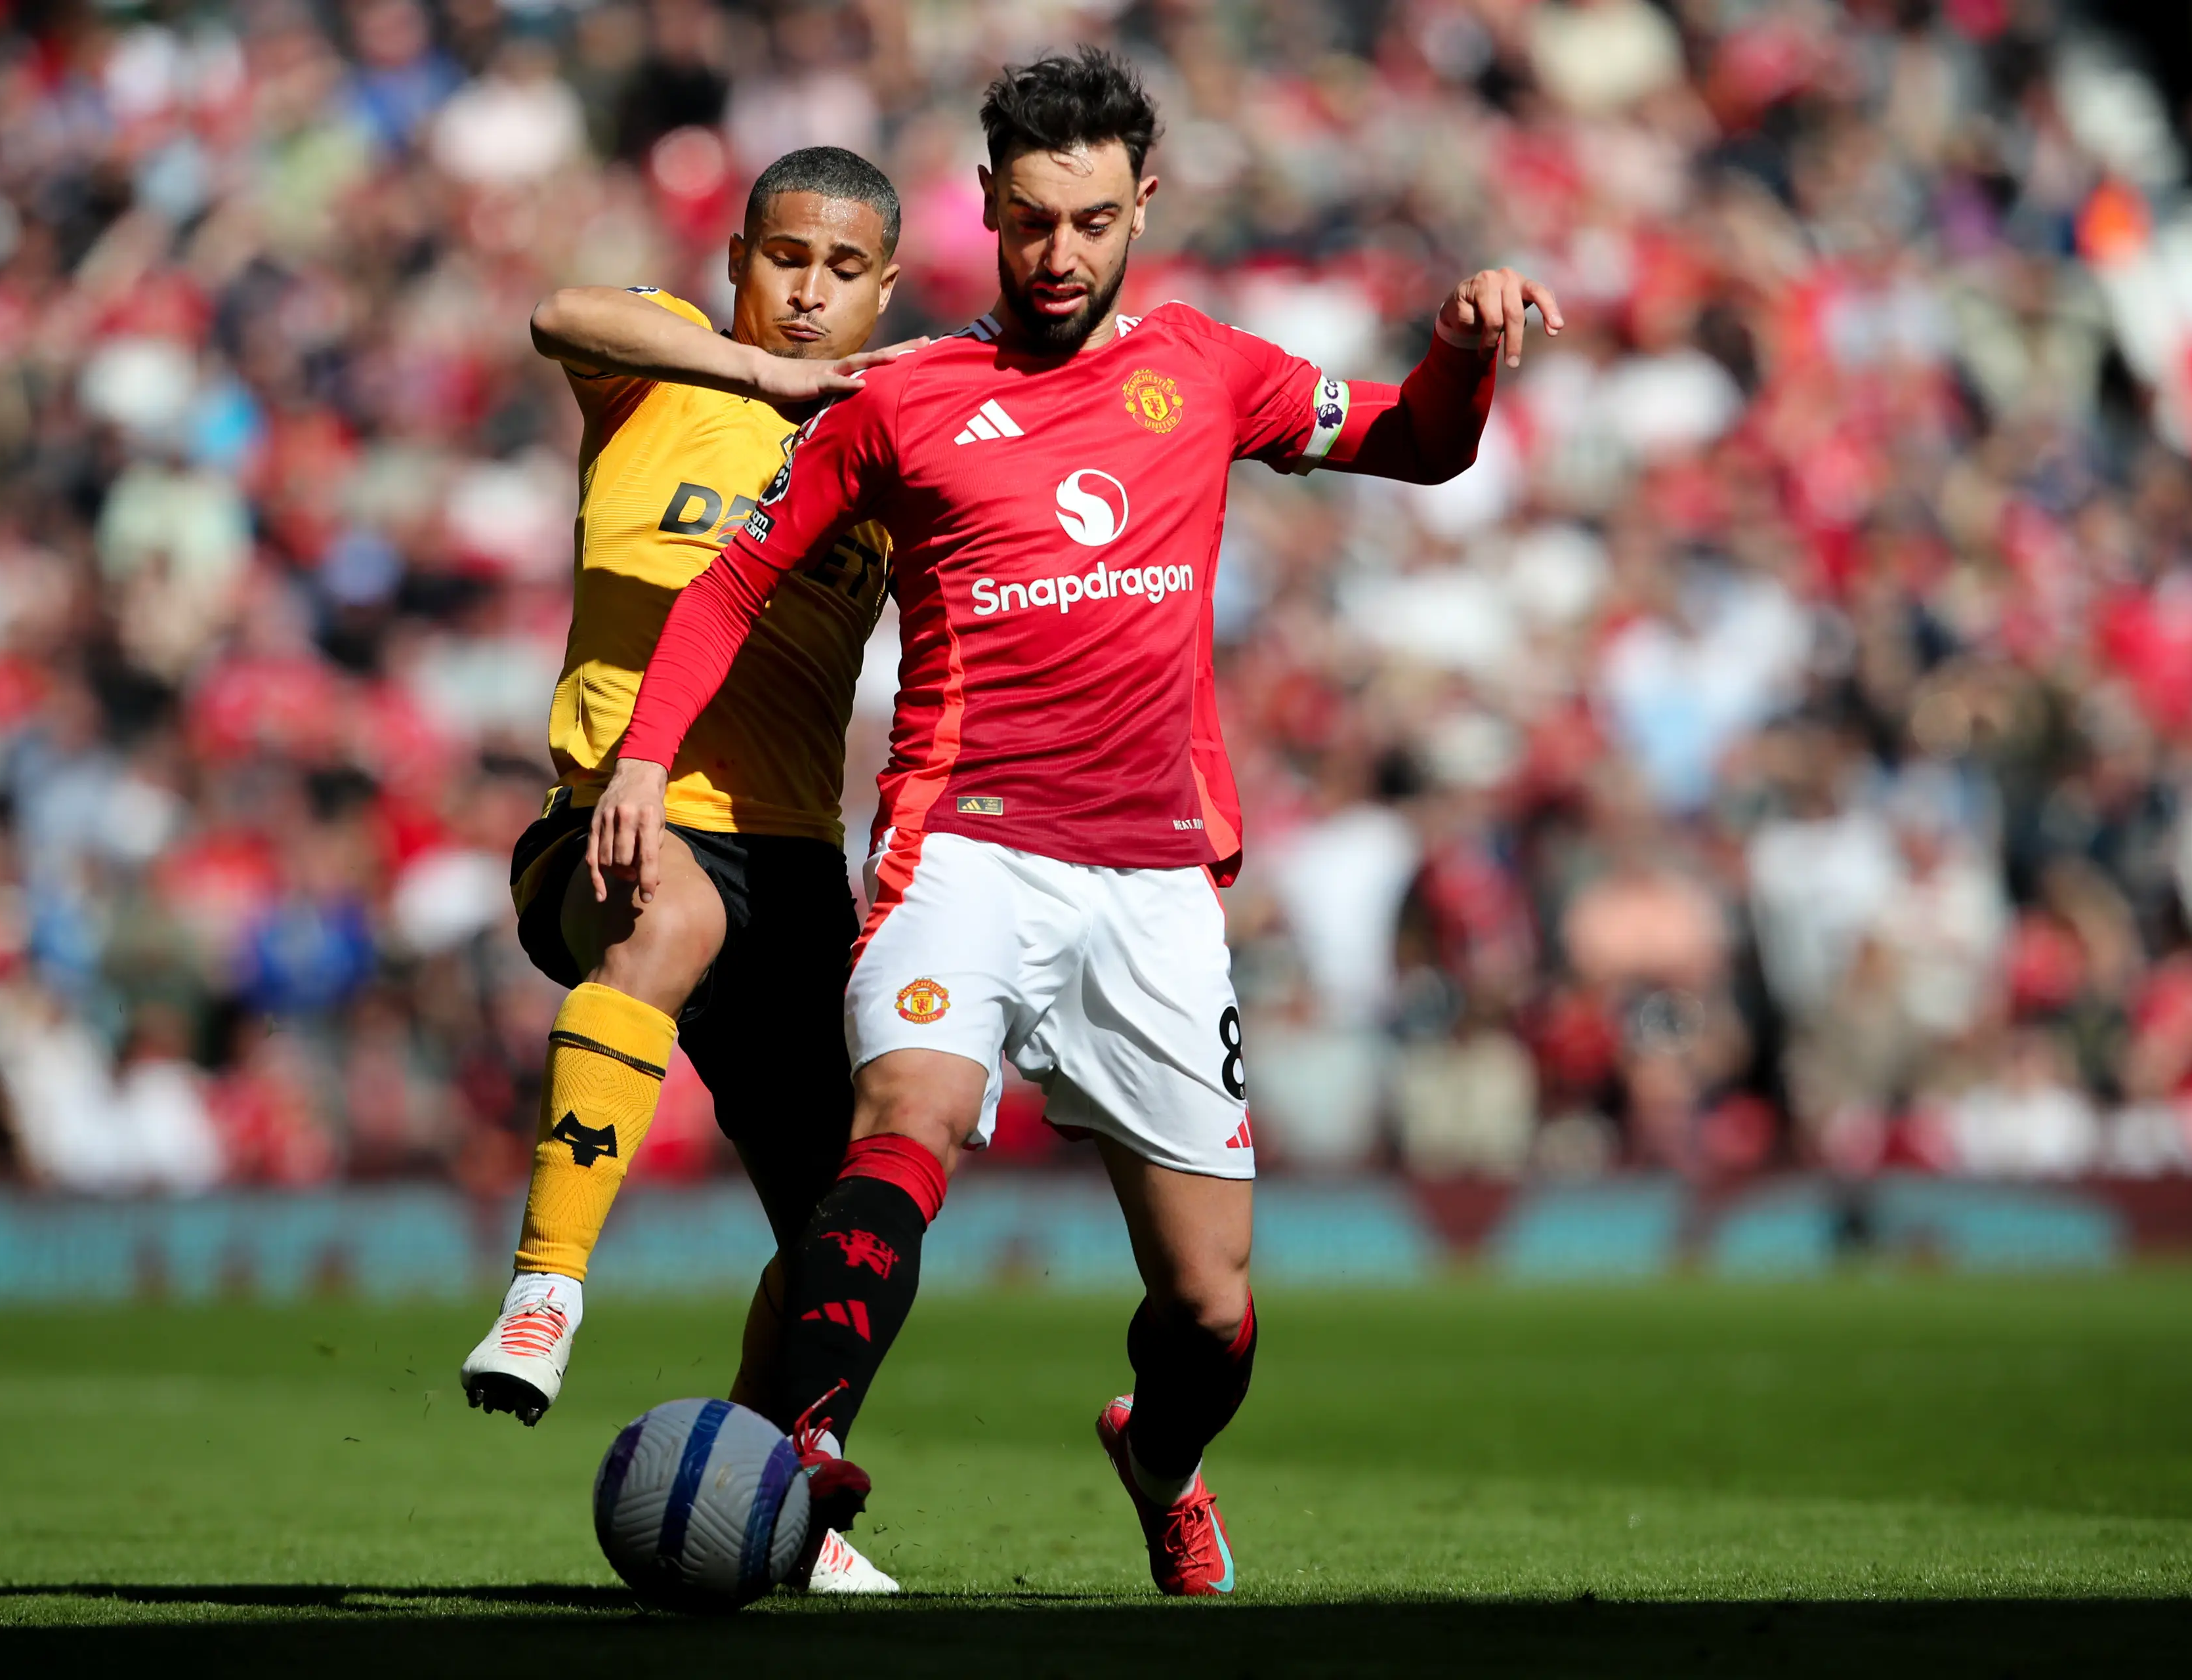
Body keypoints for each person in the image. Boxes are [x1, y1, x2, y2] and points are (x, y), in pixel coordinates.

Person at [597, 49, 1561, 1596]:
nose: (1057, 256)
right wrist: (645, 757)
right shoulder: (903, 398)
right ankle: (806, 1448)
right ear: (984, 204)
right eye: (1031, 221)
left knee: (1208, 1307)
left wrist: (1463, 353)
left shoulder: (1211, 369)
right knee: (902, 1117)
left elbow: (1423, 443)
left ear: (1142, 208)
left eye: (1092, 222)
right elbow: (728, 584)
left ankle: (1161, 1456)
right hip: (958, 841)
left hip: (1154, 879)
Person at [455, 145, 922, 1595]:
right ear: (736, 261)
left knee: (840, 1225)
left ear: (887, 288)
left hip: (793, 859)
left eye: (847, 272)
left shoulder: (893, 441)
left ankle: (781, 1484)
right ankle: (544, 1291)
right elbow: (558, 311)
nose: (810, 293)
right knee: (667, 906)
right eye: (787, 258)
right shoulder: (660, 367)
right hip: (615, 810)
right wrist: (748, 374)